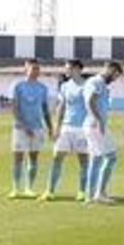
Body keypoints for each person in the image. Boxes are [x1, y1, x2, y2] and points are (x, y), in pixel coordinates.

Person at [45, 59, 92, 203]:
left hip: (83, 128)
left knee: (83, 161)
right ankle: (50, 191)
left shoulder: (88, 85)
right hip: (66, 127)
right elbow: (61, 107)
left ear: (78, 69)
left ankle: (82, 192)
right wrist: (56, 128)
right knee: (57, 157)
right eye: (66, 69)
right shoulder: (65, 86)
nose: (66, 71)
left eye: (69, 69)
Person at [6, 58, 54, 199]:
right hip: (20, 128)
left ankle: (29, 188)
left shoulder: (42, 88)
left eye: (38, 69)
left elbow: (45, 109)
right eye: (33, 68)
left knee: (33, 158)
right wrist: (23, 125)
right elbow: (13, 108)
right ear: (25, 69)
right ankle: (15, 188)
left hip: (37, 127)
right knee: (18, 158)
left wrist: (50, 127)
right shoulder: (17, 85)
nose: (36, 71)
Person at [84, 62, 124, 205]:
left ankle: (90, 195)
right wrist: (97, 119)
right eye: (116, 75)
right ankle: (99, 193)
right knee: (111, 156)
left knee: (95, 159)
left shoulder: (101, 84)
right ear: (111, 70)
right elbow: (90, 101)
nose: (115, 79)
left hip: (93, 124)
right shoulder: (96, 82)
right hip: (95, 125)